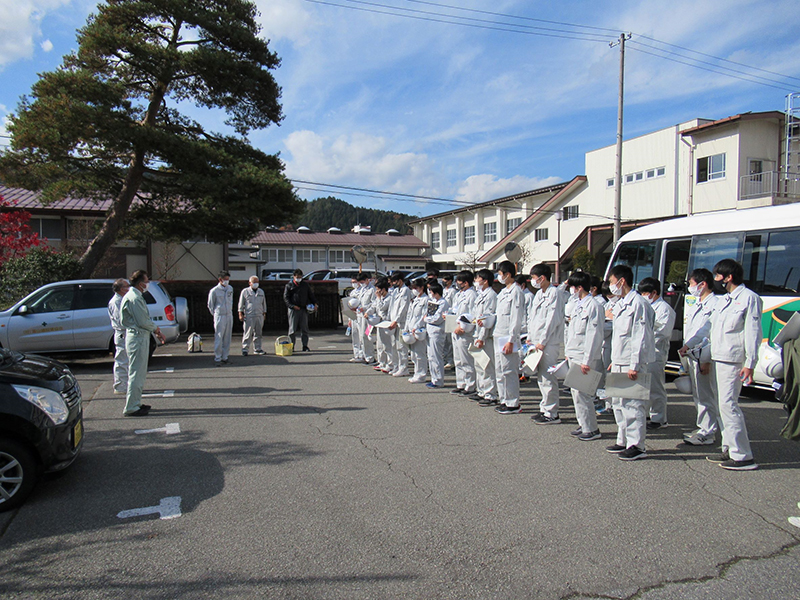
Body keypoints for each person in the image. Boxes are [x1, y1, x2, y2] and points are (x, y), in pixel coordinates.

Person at [703, 259, 762, 471]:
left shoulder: (749, 298)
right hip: (718, 358)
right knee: (721, 405)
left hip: (733, 360)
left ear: (728, 277)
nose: (715, 280)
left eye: (718, 276)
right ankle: (728, 447)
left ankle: (743, 455)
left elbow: (753, 332)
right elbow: (710, 328)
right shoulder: (723, 300)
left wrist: (750, 363)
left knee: (729, 405)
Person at [605, 265, 656, 461]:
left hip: (631, 363)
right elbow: (619, 337)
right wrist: (613, 361)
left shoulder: (638, 304)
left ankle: (637, 445)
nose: (611, 286)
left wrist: (635, 364)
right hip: (619, 361)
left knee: (634, 405)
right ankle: (623, 439)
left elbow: (640, 337)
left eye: (611, 282)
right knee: (618, 402)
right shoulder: (622, 303)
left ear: (621, 281)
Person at [678, 268, 720, 446]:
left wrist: (706, 360)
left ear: (702, 284)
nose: (689, 286)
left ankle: (708, 432)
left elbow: (710, 335)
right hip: (693, 355)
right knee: (699, 395)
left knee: (706, 396)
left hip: (703, 356)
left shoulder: (715, 304)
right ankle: (703, 427)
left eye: (691, 283)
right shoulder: (698, 303)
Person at [564, 272, 604, 441]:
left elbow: (593, 335)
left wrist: (587, 360)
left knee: (583, 393)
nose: (571, 290)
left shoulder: (593, 305)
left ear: (579, 287)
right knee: (576, 392)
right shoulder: (577, 305)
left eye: (572, 286)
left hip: (584, 357)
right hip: (574, 353)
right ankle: (583, 423)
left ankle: (591, 428)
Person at [120, 270, 165, 416]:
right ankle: (132, 406)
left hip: (140, 336)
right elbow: (143, 321)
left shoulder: (135, 296)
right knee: (136, 373)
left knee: (138, 373)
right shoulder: (135, 298)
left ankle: (136, 402)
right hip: (137, 337)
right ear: (140, 284)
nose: (148, 284)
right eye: (146, 281)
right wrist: (156, 329)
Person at [527, 263, 566, 424]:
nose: (532, 281)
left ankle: (552, 412)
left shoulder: (554, 294)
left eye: (534, 278)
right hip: (536, 341)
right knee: (541, 377)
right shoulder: (539, 294)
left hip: (548, 343)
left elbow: (552, 320)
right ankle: (544, 408)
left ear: (542, 278)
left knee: (548, 377)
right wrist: (530, 337)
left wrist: (542, 341)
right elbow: (533, 317)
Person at [638, 277, 677, 430]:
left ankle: (659, 418)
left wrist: (646, 335)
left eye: (645, 293)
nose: (643, 296)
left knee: (655, 386)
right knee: (644, 386)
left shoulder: (665, 309)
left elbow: (663, 333)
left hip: (656, 352)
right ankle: (648, 413)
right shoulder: (644, 306)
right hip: (644, 351)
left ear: (654, 292)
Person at [493, 261, 526, 414]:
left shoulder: (516, 292)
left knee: (509, 371)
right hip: (498, 334)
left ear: (507, 275)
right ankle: (504, 399)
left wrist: (511, 339)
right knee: (500, 370)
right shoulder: (503, 292)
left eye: (500, 274)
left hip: (507, 337)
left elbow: (516, 318)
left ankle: (513, 403)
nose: (499, 277)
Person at [474, 269, 499, 405]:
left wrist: (482, 337)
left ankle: (490, 394)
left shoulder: (491, 296)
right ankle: (482, 391)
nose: (476, 281)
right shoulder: (480, 295)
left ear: (485, 280)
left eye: (478, 278)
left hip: (485, 336)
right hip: (477, 334)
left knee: (487, 366)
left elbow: (487, 318)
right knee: (479, 365)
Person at [451, 271, 477, 396]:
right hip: (454, 328)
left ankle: (470, 385)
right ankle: (461, 384)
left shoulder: (472, 295)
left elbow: (472, 314)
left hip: (464, 331)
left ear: (466, 283)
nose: (457, 283)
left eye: (459, 281)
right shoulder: (459, 294)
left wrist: (463, 327)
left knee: (466, 360)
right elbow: (455, 310)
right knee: (458, 359)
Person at [284, 269, 317, 352]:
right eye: (297, 277)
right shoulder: (289, 285)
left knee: (304, 328)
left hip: (303, 309)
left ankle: (305, 345)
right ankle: (291, 346)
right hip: (293, 310)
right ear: (294, 277)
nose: (299, 278)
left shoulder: (305, 285)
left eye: (300, 277)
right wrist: (292, 306)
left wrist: (315, 303)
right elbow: (286, 298)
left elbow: (310, 295)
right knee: (292, 329)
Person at [424, 281, 450, 388]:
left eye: (431, 291)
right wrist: (427, 318)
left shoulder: (443, 303)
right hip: (430, 331)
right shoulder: (433, 301)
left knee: (436, 356)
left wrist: (426, 319)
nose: (430, 293)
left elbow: (437, 319)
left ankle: (439, 380)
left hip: (437, 332)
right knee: (431, 356)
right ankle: (434, 378)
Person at [108, 278, 130, 395]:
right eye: (127, 286)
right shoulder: (116, 302)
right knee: (121, 360)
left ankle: (126, 384)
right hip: (122, 333)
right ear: (122, 289)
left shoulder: (122, 299)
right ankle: (120, 386)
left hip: (126, 333)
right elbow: (120, 320)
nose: (129, 288)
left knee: (127, 359)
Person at [405, 278, 429, 383]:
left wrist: (417, 326)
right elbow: (409, 315)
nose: (414, 290)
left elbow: (424, 315)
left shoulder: (426, 300)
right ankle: (416, 373)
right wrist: (407, 327)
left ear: (422, 288)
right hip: (411, 329)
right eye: (413, 288)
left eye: (416, 288)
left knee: (420, 353)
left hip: (419, 330)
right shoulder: (414, 299)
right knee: (413, 354)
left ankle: (421, 374)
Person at [388, 273, 413, 377]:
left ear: (400, 280)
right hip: (394, 322)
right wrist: (390, 319)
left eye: (395, 281)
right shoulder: (395, 291)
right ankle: (397, 366)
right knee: (394, 345)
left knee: (402, 346)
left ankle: (404, 368)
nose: (393, 283)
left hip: (402, 322)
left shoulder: (405, 290)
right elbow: (392, 306)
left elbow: (403, 307)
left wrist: (396, 320)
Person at [208, 270, 234, 366]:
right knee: (219, 336)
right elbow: (210, 305)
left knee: (227, 336)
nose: (227, 281)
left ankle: (225, 356)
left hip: (229, 314)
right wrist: (216, 314)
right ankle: (218, 357)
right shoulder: (214, 291)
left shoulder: (230, 288)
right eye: (225, 279)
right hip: (219, 315)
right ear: (220, 280)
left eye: (228, 279)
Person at [238, 276, 267, 356]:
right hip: (249, 315)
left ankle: (258, 349)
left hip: (259, 315)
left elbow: (264, 303)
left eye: (257, 282)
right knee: (247, 333)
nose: (256, 284)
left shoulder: (261, 291)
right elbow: (241, 303)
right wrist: (240, 313)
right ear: (250, 283)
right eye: (254, 282)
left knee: (258, 333)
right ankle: (245, 349)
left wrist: (264, 313)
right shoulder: (245, 291)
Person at [353, 272, 376, 364]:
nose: (361, 284)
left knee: (366, 336)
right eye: (360, 282)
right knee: (360, 337)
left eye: (363, 282)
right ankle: (364, 355)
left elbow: (374, 303)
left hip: (367, 317)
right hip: (359, 315)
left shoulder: (372, 290)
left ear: (367, 280)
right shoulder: (362, 289)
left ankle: (370, 357)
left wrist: (365, 308)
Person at [374, 277, 394, 373]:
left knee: (388, 345)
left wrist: (378, 298)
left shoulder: (389, 298)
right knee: (381, 345)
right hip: (380, 323)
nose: (377, 291)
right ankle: (383, 363)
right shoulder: (381, 298)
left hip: (386, 322)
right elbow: (374, 306)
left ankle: (390, 364)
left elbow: (381, 308)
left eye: (379, 289)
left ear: (384, 289)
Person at [442, 274, 457, 369]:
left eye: (446, 280)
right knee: (445, 341)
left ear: (451, 281)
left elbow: (454, 305)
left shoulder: (453, 291)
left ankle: (451, 360)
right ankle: (445, 359)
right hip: (443, 317)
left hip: (450, 317)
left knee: (450, 340)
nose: (444, 281)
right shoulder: (443, 291)